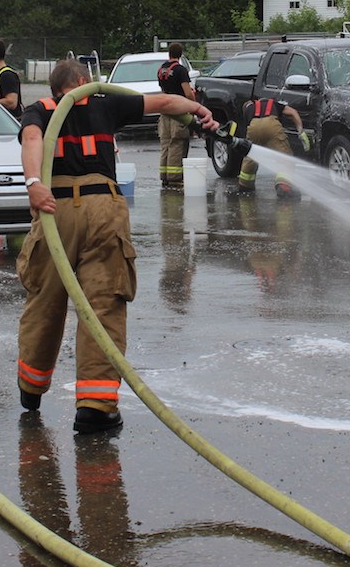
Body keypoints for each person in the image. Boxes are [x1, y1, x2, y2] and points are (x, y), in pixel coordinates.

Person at [15, 59, 217, 434]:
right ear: (81, 82)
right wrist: (199, 109)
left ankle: (31, 388)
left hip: (53, 210)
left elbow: (31, 139)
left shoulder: (38, 110)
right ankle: (95, 406)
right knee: (104, 303)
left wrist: (33, 183)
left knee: (45, 301)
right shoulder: (103, 104)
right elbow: (166, 103)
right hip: (103, 211)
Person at [238, 96, 308, 198]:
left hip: (253, 127)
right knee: (285, 156)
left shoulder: (249, 108)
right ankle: (284, 186)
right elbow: (293, 112)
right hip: (271, 125)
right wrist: (301, 131)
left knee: (251, 156)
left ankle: (245, 185)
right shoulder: (273, 104)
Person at [156, 42, 194, 188]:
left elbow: (163, 89)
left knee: (165, 142)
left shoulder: (162, 69)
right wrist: (193, 105)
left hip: (165, 109)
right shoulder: (180, 70)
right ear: (180, 54)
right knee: (177, 142)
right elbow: (188, 92)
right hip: (178, 110)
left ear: (169, 54)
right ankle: (175, 178)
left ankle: (164, 176)